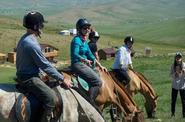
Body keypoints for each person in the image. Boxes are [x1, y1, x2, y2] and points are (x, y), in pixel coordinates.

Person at [16, 11, 72, 122]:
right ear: (36, 26)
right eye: (41, 25)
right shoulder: (31, 43)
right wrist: (62, 78)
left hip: (28, 73)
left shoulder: (26, 38)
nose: (42, 27)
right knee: (51, 98)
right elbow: (45, 65)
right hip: (29, 78)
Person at [70, 18, 106, 105]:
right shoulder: (77, 40)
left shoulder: (84, 41)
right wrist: (84, 59)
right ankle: (90, 102)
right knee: (98, 82)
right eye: (84, 28)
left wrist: (100, 65)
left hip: (84, 64)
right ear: (79, 29)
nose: (87, 30)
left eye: (88, 28)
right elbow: (74, 54)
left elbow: (90, 54)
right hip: (78, 64)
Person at [170, 52, 185, 118]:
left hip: (182, 86)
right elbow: (170, 75)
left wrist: (184, 72)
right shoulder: (173, 65)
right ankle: (173, 114)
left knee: (184, 101)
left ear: (181, 58)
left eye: (179, 57)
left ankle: (184, 114)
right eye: (177, 57)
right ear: (175, 58)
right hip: (175, 86)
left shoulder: (184, 65)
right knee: (173, 101)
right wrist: (175, 74)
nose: (178, 59)